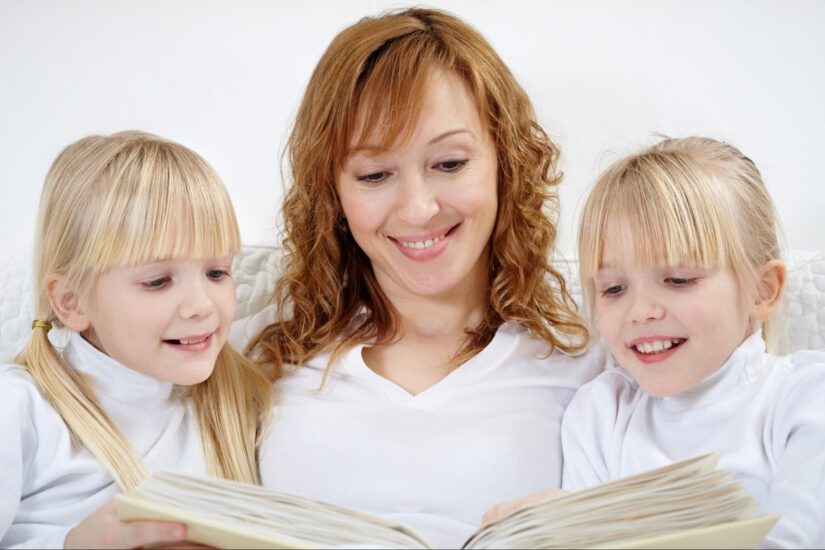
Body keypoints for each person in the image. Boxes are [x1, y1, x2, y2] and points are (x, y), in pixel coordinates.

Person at [243, 8, 603, 548]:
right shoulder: (257, 358)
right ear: (332, 194)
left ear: (505, 163)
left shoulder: (592, 367)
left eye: (450, 164)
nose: (418, 209)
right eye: (374, 175)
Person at [482, 136, 825, 547]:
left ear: (763, 290)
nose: (641, 311)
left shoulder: (803, 399)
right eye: (613, 289)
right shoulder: (601, 414)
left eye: (678, 280)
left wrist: (598, 525)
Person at [0, 131, 272, 548]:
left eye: (217, 272)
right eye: (157, 281)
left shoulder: (242, 405)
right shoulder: (19, 409)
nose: (201, 306)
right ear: (72, 302)